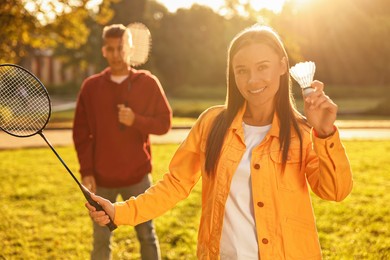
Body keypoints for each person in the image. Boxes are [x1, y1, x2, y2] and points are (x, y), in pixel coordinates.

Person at [85, 24, 353, 259]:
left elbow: (335, 192)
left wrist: (325, 134)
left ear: (283, 65)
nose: (252, 80)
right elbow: (175, 185)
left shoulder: (303, 132)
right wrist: (119, 212)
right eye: (242, 70)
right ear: (232, 75)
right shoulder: (212, 124)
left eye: (263, 67)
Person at [73, 24, 171, 260]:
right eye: (111, 49)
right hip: (101, 177)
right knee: (100, 239)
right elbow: (80, 133)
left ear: (130, 49)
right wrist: (86, 171)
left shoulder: (148, 82)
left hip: (137, 177)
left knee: (147, 234)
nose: (116, 54)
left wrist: (136, 120)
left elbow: (164, 123)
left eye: (121, 48)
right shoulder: (91, 86)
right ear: (104, 51)